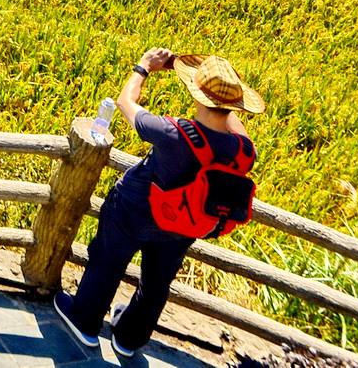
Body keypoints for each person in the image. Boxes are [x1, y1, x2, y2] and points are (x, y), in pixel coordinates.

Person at [54, 48, 265, 359]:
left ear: (197, 96)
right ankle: (128, 338)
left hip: (133, 211)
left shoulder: (172, 133)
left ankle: (84, 321)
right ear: (234, 106)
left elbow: (126, 103)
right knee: (156, 283)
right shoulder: (243, 151)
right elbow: (238, 132)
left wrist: (144, 67)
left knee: (107, 261)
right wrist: (225, 103)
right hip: (182, 226)